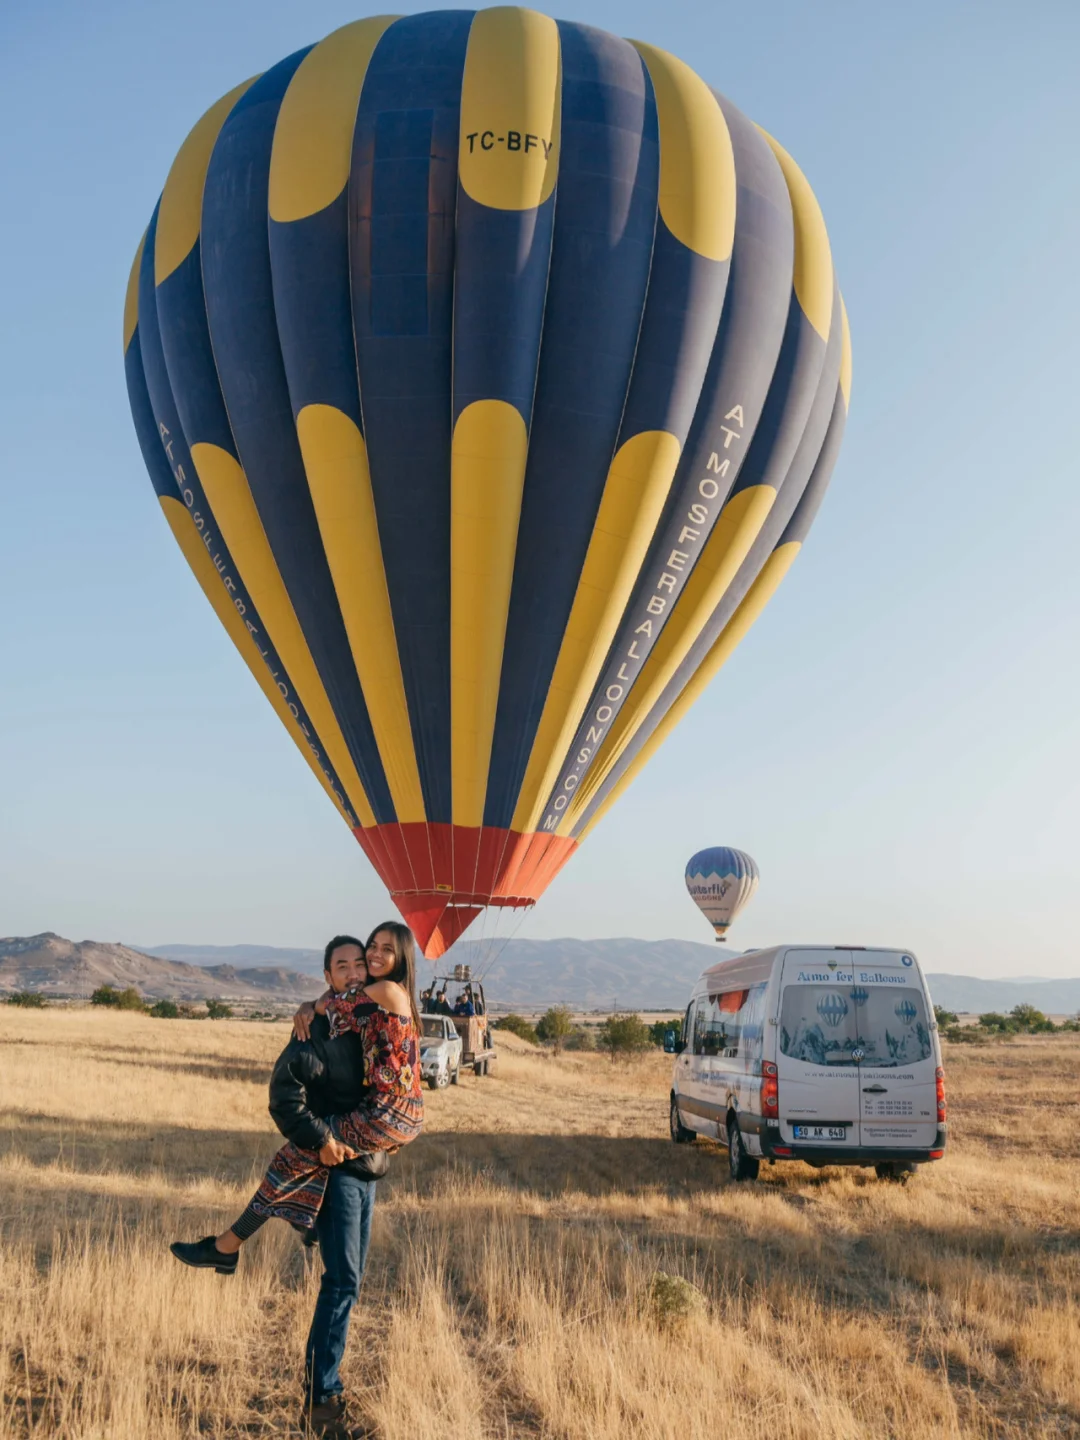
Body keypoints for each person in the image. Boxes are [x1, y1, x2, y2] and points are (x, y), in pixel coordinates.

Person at [171, 923, 424, 1436]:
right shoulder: (335, 1021)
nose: (365, 963)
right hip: (356, 1163)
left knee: (296, 1174)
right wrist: (313, 1009)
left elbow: (343, 1006)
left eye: (376, 954)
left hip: (381, 1129)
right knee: (341, 1277)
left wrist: (313, 1003)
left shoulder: (374, 1000)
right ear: (329, 973)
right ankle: (322, 1400)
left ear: (399, 959)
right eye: (351, 960)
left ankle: (226, 1244)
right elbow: (289, 1094)